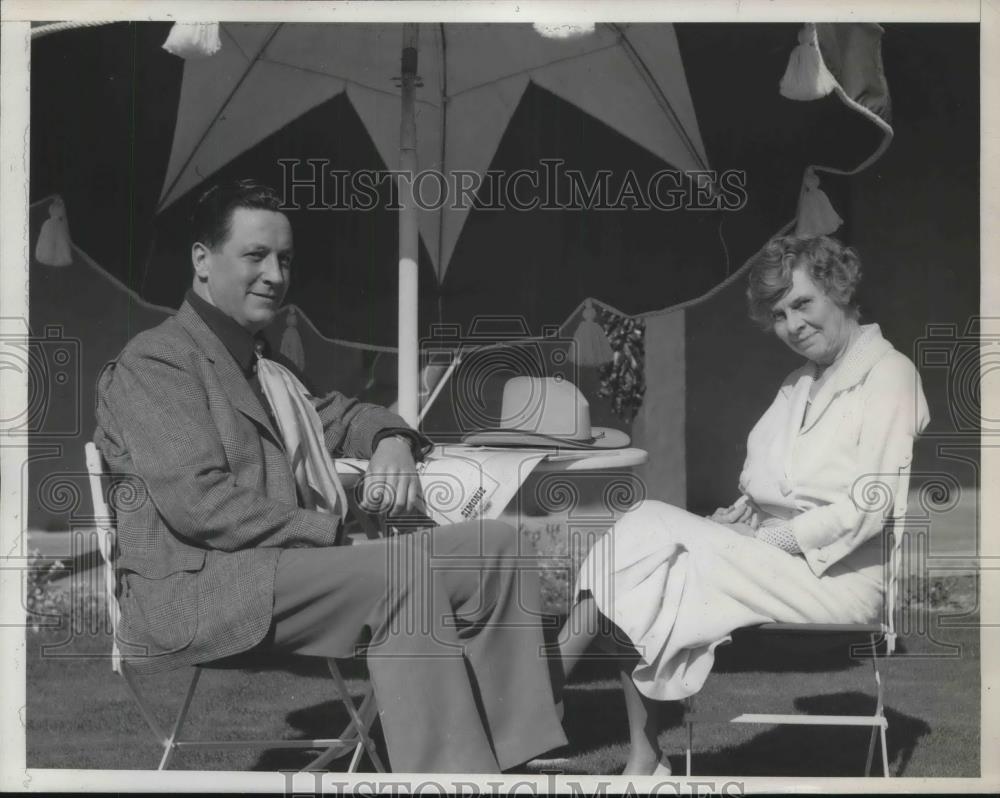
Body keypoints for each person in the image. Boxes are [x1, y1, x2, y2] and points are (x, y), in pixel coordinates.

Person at [93, 179, 567, 773]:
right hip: (203, 589)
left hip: (279, 570)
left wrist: (392, 439)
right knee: (404, 574)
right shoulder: (157, 362)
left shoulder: (265, 367)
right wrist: (334, 529)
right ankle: (452, 778)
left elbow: (344, 416)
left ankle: (514, 762)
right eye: (256, 256)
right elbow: (200, 505)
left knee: (496, 546)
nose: (275, 274)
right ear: (202, 261)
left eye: (284, 259)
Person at [556, 234, 930, 775]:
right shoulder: (797, 384)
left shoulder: (890, 375)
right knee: (654, 557)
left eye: (802, 303)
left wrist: (771, 535)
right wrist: (744, 516)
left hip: (839, 580)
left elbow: (868, 507)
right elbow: (769, 483)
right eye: (779, 315)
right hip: (774, 563)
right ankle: (641, 757)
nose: (793, 325)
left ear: (839, 291)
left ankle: (547, 690)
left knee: (646, 525)